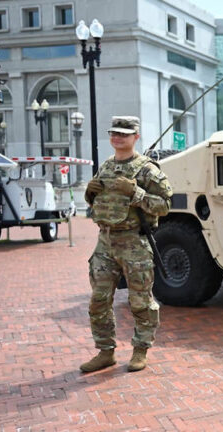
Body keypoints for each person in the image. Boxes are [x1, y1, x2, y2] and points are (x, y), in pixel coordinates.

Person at [81, 116, 172, 373]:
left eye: (123, 133)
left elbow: (165, 206)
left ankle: (140, 350)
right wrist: (90, 192)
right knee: (98, 300)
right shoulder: (107, 166)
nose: (117, 137)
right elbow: (98, 202)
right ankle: (105, 351)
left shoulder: (147, 169)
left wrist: (136, 193)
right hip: (105, 242)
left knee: (140, 300)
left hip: (133, 241)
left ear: (135, 137)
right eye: (114, 133)